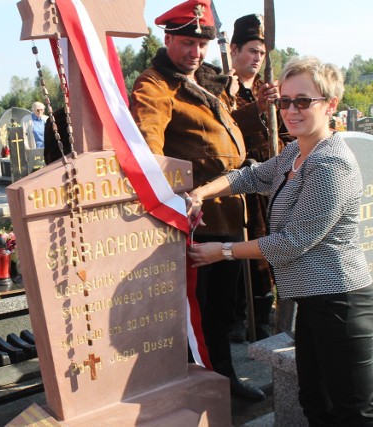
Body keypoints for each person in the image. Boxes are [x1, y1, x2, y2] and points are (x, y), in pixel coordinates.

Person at [187, 56, 373, 426]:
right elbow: (254, 175)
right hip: (312, 301)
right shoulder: (297, 151)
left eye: (303, 101)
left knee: (351, 411)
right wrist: (200, 194)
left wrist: (221, 252)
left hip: (340, 304)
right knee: (314, 400)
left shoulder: (330, 164)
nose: (291, 110)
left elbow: (292, 241)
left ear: (330, 105)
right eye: (284, 101)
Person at [130, 0, 274, 401]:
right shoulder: (156, 85)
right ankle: (206, 388)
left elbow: (222, 136)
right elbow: (149, 153)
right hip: (193, 223)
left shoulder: (199, 81)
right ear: (168, 39)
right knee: (199, 313)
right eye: (187, 43)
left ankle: (223, 378)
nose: (195, 53)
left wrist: (257, 110)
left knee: (222, 310)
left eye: (201, 44)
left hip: (228, 216)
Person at [228, 14, 293, 342]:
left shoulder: (274, 92)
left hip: (279, 185)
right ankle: (242, 317)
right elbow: (224, 132)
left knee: (278, 251)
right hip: (244, 189)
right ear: (234, 50)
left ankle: (269, 315)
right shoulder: (220, 90)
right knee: (249, 253)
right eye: (251, 50)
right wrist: (256, 107)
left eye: (262, 53)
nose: (256, 58)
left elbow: (286, 133)